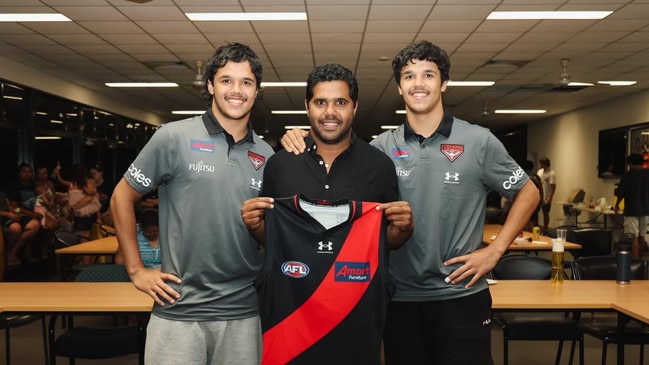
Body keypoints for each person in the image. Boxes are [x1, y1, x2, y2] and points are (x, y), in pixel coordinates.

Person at [281, 40, 539, 364]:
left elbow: (529, 192)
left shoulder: (478, 141)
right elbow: (334, 181)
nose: (418, 83)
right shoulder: (379, 149)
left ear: (443, 83)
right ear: (400, 87)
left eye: (428, 75)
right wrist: (301, 137)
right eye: (409, 76)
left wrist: (495, 251)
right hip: (398, 297)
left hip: (461, 295)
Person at [110, 42, 273, 365]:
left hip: (243, 311)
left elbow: (269, 235)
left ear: (257, 91)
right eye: (226, 80)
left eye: (246, 82)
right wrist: (136, 270)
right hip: (179, 310)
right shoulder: (173, 137)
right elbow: (121, 197)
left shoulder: (267, 155)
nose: (236, 90)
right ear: (210, 85)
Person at [241, 63, 413, 364]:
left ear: (355, 108)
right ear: (308, 107)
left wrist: (401, 231)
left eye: (340, 102)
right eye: (320, 102)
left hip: (356, 325)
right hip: (291, 325)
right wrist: (254, 225)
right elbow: (274, 241)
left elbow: (382, 241)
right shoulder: (280, 165)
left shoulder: (380, 166)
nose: (330, 112)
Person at [3, 163, 43, 265]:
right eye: (24, 172)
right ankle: (12, 252)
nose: (27, 174)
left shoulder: (33, 186)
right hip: (17, 213)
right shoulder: (15, 186)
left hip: (29, 215)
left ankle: (18, 251)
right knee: (17, 228)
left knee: (37, 225)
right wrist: (17, 215)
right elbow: (15, 207)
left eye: (30, 172)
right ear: (20, 173)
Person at [614, 153, 649, 258]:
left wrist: (616, 205)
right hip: (646, 210)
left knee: (633, 238)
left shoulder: (628, 175)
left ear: (630, 164)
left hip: (632, 210)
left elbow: (621, 193)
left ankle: (635, 263)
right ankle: (641, 262)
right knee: (642, 236)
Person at [537, 157, 556, 232]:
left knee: (545, 213)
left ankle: (545, 229)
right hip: (538, 195)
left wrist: (550, 197)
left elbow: (553, 187)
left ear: (545, 164)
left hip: (546, 196)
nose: (540, 165)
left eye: (541, 163)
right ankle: (536, 227)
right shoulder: (539, 172)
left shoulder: (551, 173)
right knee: (536, 212)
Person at [524, 160, 544, 231]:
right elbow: (541, 189)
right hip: (535, 200)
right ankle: (532, 236)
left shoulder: (522, 176)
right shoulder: (536, 177)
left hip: (524, 200)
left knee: (522, 219)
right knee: (533, 220)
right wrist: (541, 200)